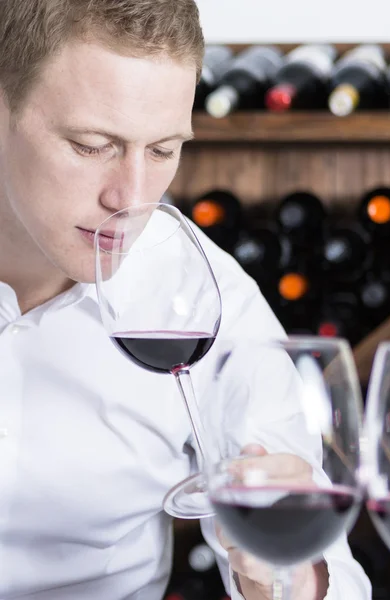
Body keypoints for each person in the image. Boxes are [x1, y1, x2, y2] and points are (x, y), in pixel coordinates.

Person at [0, 1, 371, 599]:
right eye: (93, 145)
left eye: (164, 150)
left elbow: (326, 572)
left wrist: (285, 572)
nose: (134, 198)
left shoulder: (204, 298)